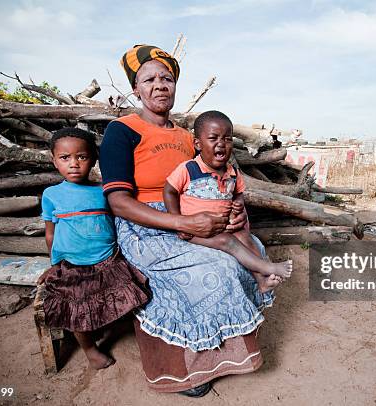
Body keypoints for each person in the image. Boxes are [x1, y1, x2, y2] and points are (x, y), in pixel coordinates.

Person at [100, 45, 276, 397]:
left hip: (195, 216)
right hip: (144, 226)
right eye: (149, 79)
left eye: (166, 77)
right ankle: (182, 371)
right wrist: (180, 224)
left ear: (175, 85)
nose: (159, 85)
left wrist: (233, 209)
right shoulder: (121, 131)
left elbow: (212, 181)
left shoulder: (186, 137)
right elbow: (119, 203)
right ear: (136, 90)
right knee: (210, 267)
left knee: (252, 247)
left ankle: (225, 354)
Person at [38, 127, 149, 370]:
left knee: (132, 292)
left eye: (82, 157)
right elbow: (50, 233)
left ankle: (143, 338)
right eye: (65, 158)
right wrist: (54, 266)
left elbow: (115, 223)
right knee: (77, 308)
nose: (74, 164)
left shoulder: (103, 191)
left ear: (93, 159)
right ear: (53, 160)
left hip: (109, 260)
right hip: (73, 266)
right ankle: (90, 350)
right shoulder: (52, 195)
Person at [163, 110, 292, 292]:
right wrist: (178, 222)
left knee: (245, 238)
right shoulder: (189, 169)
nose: (221, 144)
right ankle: (267, 267)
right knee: (227, 241)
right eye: (213, 138)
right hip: (195, 230)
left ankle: (261, 281)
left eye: (227, 139)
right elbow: (169, 190)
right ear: (198, 144)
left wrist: (238, 204)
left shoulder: (232, 172)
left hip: (224, 226)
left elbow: (238, 193)